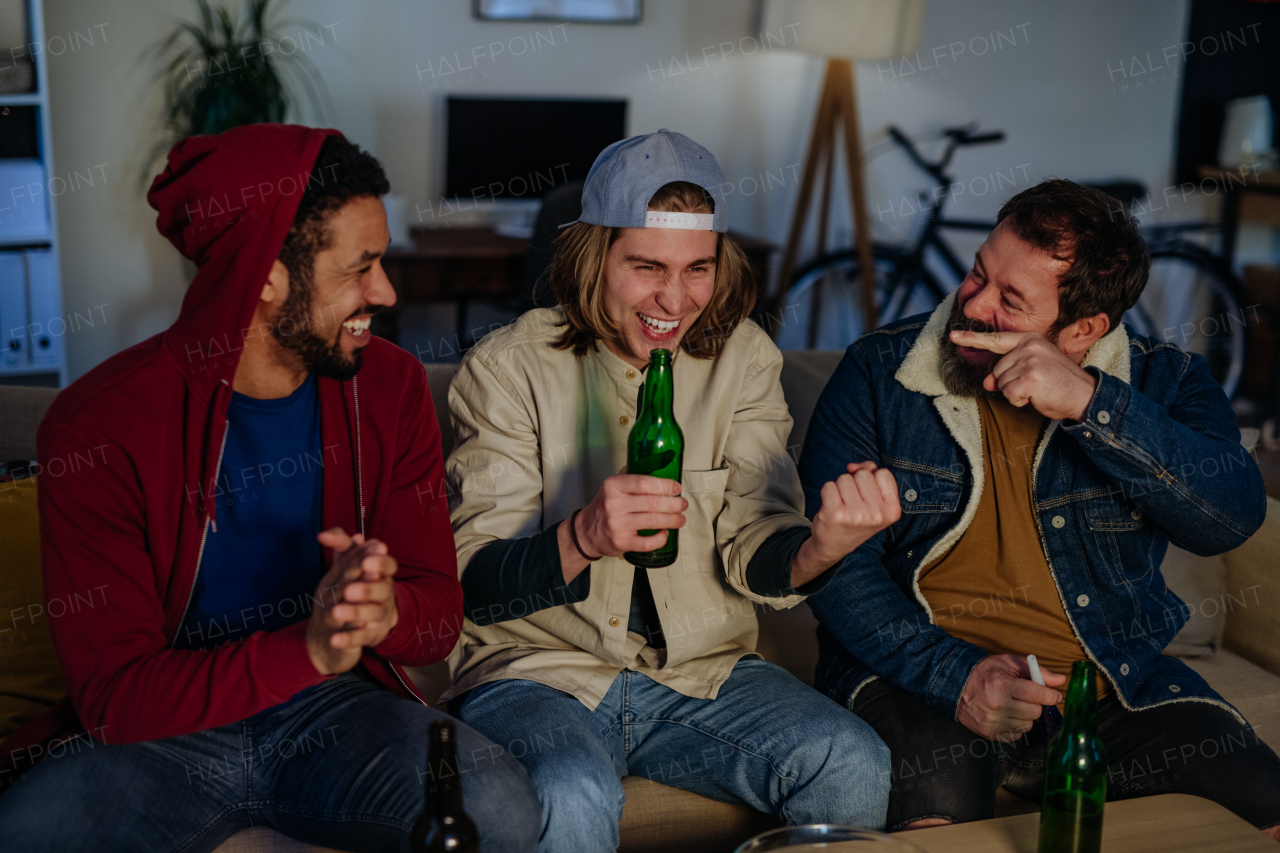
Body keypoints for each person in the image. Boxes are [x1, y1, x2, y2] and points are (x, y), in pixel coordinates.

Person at [0, 124, 539, 852]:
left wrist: (381, 613)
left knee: (499, 808)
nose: (384, 291)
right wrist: (307, 648)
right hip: (165, 735)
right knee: (30, 830)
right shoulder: (97, 424)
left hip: (335, 712)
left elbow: (438, 616)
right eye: (362, 266)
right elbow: (113, 697)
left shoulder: (391, 387)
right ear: (264, 277)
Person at [442, 130, 894, 852]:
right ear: (595, 258)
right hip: (539, 675)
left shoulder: (744, 359)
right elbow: (470, 584)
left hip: (703, 673)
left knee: (850, 756)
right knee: (569, 789)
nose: (674, 299)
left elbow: (758, 535)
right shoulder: (506, 368)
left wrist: (819, 549)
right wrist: (582, 536)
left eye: (697, 269)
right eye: (646, 266)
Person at [798, 179, 1280, 838]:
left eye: (1011, 300)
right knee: (938, 824)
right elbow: (833, 569)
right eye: (978, 274)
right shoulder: (878, 373)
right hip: (925, 679)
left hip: (1113, 688)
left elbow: (1231, 516)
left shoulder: (1171, 383)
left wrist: (1092, 404)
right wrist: (956, 675)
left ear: (1083, 329)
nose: (972, 304)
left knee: (1263, 808)